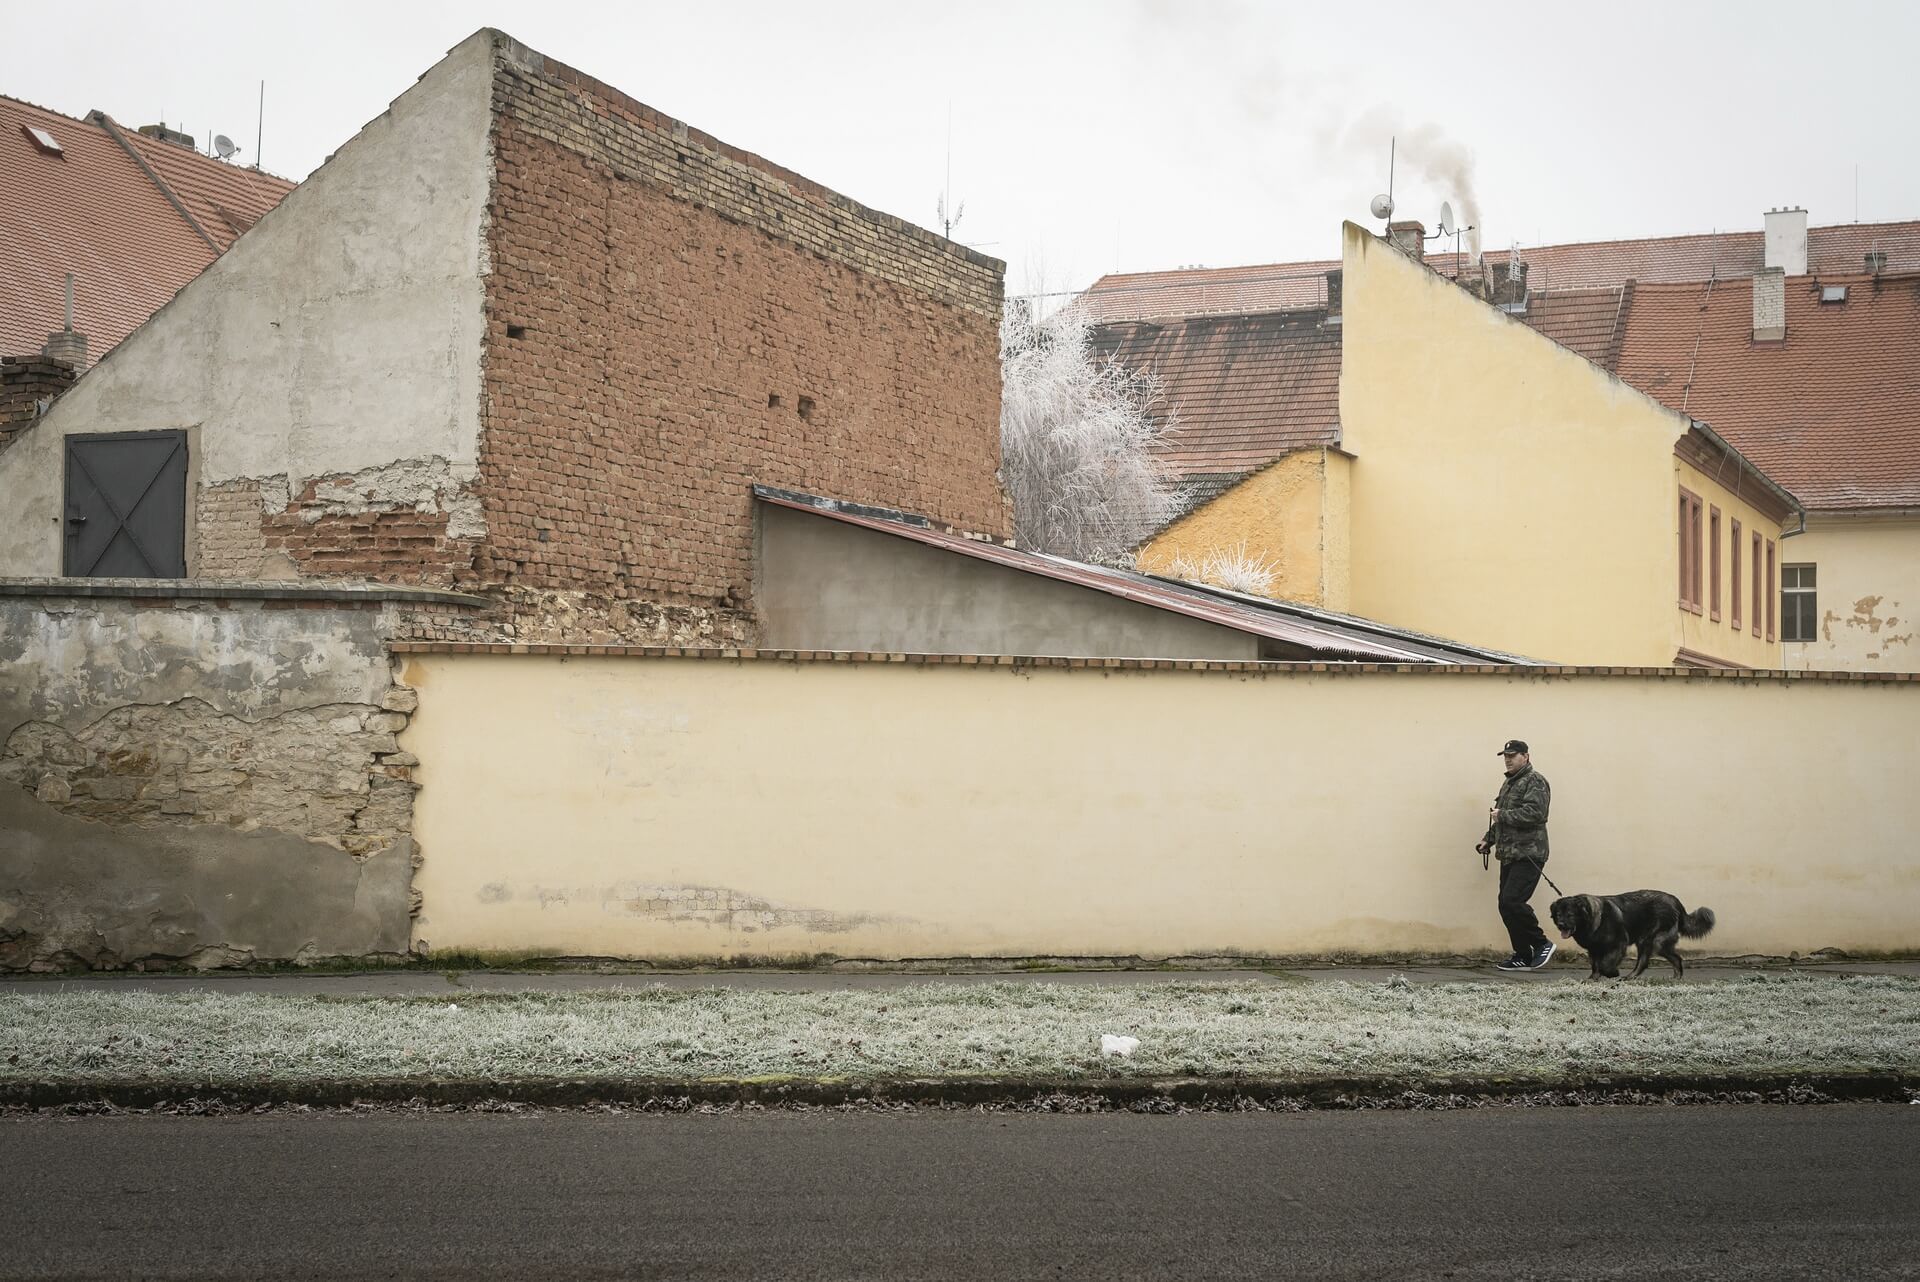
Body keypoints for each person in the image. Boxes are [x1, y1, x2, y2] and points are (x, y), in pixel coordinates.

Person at [1476, 739, 1555, 972]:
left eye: (1513, 755)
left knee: (1513, 901)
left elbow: (1536, 814)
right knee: (1505, 904)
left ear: (1526, 757)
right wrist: (1487, 840)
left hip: (1529, 853)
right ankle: (1522, 955)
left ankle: (1542, 944)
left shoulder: (1535, 781)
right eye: (1506, 756)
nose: (1508, 759)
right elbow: (1500, 819)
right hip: (1510, 854)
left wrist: (1504, 815)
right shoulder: (1509, 783)